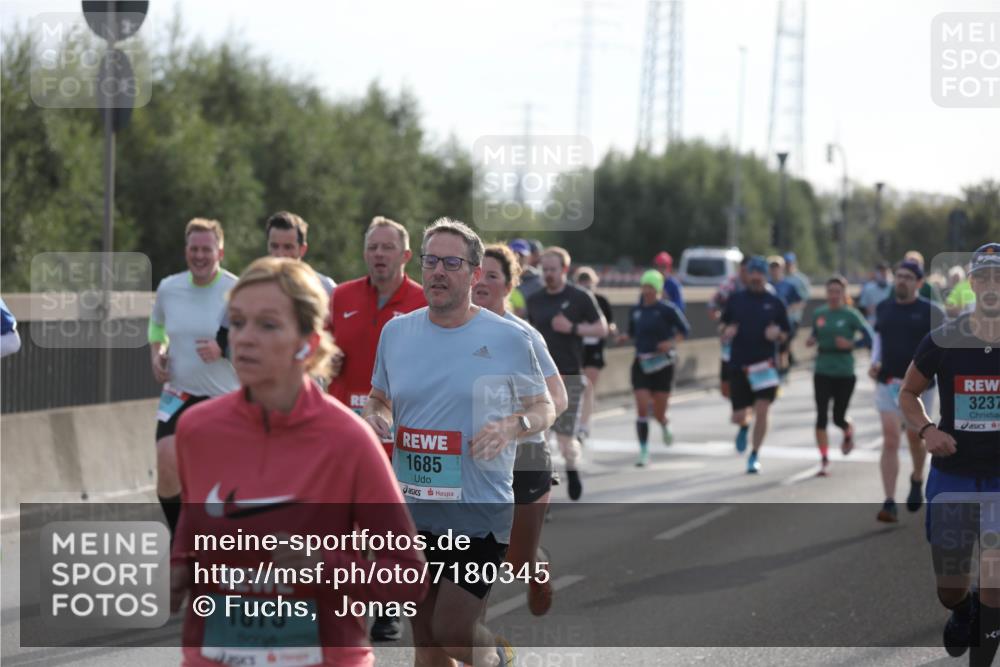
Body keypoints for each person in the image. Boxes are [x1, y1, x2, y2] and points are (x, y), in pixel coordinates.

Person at [169, 257, 427, 667]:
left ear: (307, 342)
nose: (245, 339)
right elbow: (197, 515)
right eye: (237, 323)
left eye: (267, 325)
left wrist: (325, 566)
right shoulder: (197, 429)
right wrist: (177, 566)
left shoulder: (348, 440)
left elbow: (407, 575)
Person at [363, 218, 555, 667]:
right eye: (431, 261)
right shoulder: (396, 333)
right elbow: (379, 398)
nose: (438, 272)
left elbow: (544, 406)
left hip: (479, 509)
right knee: (426, 639)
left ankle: (500, 659)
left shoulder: (508, 338)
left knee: (453, 629)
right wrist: (376, 418)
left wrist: (512, 425)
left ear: (473, 273)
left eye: (452, 263)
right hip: (413, 509)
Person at [897, 242, 1000, 663]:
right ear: (972, 284)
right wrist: (927, 429)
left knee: (996, 589)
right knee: (950, 588)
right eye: (986, 277)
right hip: (953, 474)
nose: (993, 285)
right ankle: (963, 607)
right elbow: (908, 393)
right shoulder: (945, 337)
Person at [325, 215, 426, 642]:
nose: (379, 255)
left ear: (404, 255)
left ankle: (387, 610)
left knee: (385, 525)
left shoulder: (423, 301)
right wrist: (327, 360)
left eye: (387, 248)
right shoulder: (343, 295)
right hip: (344, 428)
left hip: (398, 431)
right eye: (372, 248)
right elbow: (324, 346)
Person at [473, 243, 568, 617]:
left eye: (492, 276)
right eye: (478, 273)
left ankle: (536, 567)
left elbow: (557, 397)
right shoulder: (448, 330)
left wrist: (518, 426)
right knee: (471, 568)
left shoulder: (523, 336)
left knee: (517, 562)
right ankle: (471, 646)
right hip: (474, 461)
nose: (482, 283)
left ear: (509, 286)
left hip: (524, 457)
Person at [148, 218, 239, 538]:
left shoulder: (235, 290)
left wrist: (223, 347)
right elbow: (157, 325)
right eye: (194, 249)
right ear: (186, 251)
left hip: (223, 397)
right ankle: (179, 537)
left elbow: (253, 339)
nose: (200, 256)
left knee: (216, 479)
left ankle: (224, 542)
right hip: (180, 392)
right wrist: (156, 352)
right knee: (166, 462)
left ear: (220, 253)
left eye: (207, 249)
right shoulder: (169, 288)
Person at [527, 246, 609, 501]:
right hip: (540, 379)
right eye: (544, 269)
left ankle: (572, 470)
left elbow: (602, 329)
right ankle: (542, 495)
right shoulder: (535, 300)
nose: (548, 274)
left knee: (565, 440)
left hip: (569, 375)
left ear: (564, 270)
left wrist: (571, 327)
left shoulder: (580, 297)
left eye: (553, 269)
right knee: (538, 439)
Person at [870, 259, 946, 522]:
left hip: (919, 386)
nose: (901, 280)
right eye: (898, 276)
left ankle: (916, 478)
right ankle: (889, 501)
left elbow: (943, 348)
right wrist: (873, 363)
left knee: (915, 437)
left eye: (907, 277)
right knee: (890, 438)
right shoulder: (883, 308)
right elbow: (877, 338)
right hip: (888, 381)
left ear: (919, 283)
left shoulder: (932, 311)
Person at [719, 256, 791, 473]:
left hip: (765, 366)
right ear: (747, 275)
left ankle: (754, 454)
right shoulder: (736, 299)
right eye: (753, 273)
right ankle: (743, 426)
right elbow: (722, 325)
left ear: (766, 276)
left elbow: (787, 332)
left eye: (761, 273)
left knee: (762, 410)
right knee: (740, 415)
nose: (757, 277)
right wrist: (726, 332)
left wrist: (778, 335)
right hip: (740, 363)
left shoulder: (775, 302)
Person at [617, 270, 690, 466]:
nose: (647, 291)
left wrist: (671, 343)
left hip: (663, 365)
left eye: (651, 287)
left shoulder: (668, 309)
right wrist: (624, 337)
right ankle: (643, 451)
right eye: (644, 287)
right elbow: (632, 332)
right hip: (641, 363)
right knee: (641, 409)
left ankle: (664, 424)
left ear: (658, 289)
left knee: (658, 412)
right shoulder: (636, 310)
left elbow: (685, 331)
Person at [805, 276, 873, 476]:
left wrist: (852, 344)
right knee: (821, 416)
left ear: (844, 294)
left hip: (844, 370)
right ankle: (824, 459)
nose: (833, 295)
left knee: (838, 417)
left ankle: (847, 430)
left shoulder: (851, 315)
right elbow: (815, 334)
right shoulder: (819, 313)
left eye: (837, 291)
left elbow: (869, 337)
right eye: (830, 291)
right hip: (822, 369)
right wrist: (811, 339)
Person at [573, 265, 616, 442]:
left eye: (589, 286)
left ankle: (584, 425)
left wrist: (610, 329)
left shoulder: (601, 301)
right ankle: (575, 421)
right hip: (576, 348)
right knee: (574, 386)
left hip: (595, 347)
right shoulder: (573, 301)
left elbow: (610, 324)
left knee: (589, 385)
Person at [264, 210, 337, 295]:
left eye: (288, 247)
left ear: (302, 249)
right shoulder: (254, 287)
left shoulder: (324, 288)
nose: (280, 254)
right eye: (275, 246)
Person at [768, 255, 804, 378]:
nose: (774, 270)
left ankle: (783, 371)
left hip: (786, 321)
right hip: (770, 322)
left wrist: (790, 309)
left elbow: (800, 301)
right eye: (772, 268)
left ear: (782, 269)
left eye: (777, 267)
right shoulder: (766, 286)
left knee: (783, 347)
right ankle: (775, 371)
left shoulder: (789, 285)